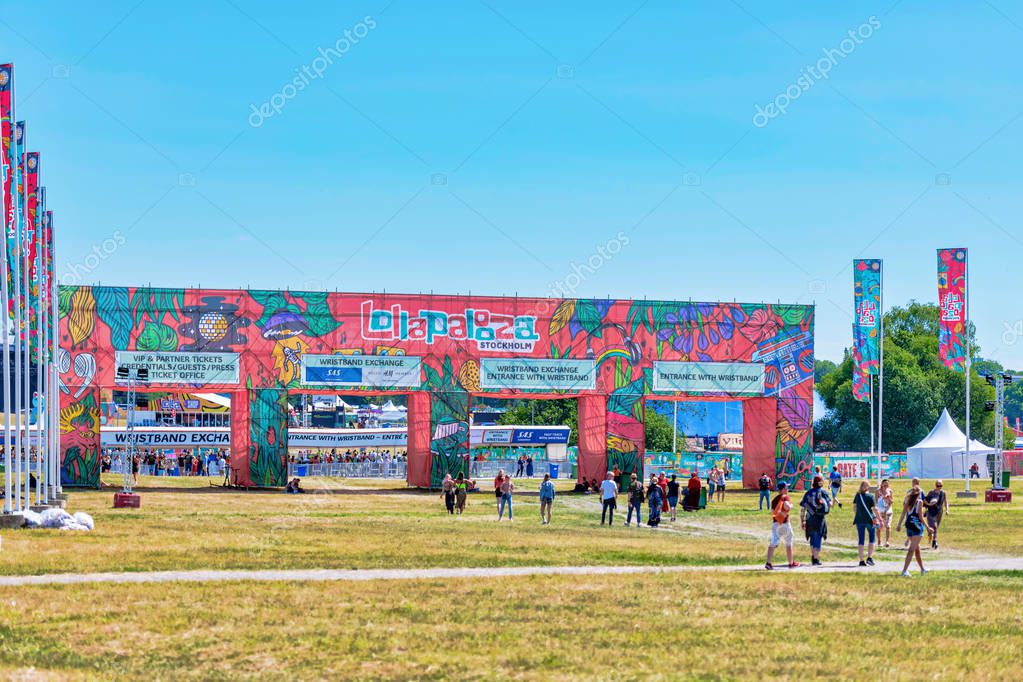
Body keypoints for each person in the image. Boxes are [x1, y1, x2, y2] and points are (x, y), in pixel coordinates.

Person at [896, 484, 929, 577]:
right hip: (917, 528)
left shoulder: (907, 502)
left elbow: (903, 514)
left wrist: (899, 525)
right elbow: (921, 517)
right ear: (919, 494)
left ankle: (922, 569)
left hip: (909, 527)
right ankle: (904, 571)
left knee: (917, 549)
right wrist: (927, 527)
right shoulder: (920, 502)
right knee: (911, 550)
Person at [765, 482, 800, 570]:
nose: (787, 489)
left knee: (773, 542)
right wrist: (791, 505)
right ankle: (791, 563)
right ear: (783, 489)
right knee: (789, 542)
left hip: (776, 523)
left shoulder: (774, 500)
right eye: (786, 488)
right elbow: (787, 506)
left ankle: (768, 563)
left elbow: (773, 511)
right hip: (784, 524)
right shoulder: (785, 497)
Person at [799, 475, 831, 566]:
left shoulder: (808, 493)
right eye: (822, 481)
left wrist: (803, 520)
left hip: (809, 518)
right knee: (818, 538)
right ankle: (815, 559)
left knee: (812, 538)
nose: (823, 482)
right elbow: (830, 504)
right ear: (819, 482)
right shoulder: (823, 492)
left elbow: (803, 508)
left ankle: (814, 557)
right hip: (819, 519)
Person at [852, 480, 877, 567]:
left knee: (861, 540)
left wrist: (859, 515)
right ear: (868, 487)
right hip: (870, 520)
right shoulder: (871, 496)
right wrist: (879, 519)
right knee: (872, 539)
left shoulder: (857, 496)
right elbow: (874, 509)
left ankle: (861, 560)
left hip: (859, 520)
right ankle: (869, 558)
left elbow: (854, 508)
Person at [923, 480, 949, 550]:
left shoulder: (943, 493)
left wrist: (947, 510)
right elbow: (925, 500)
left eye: (940, 486)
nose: (939, 487)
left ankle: (932, 538)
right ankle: (935, 540)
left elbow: (946, 502)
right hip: (930, 511)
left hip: (939, 512)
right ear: (935, 485)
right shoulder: (931, 492)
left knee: (936, 527)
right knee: (933, 526)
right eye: (938, 485)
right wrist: (929, 504)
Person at [876, 479, 895, 547]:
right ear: (882, 484)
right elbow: (875, 503)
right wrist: (879, 513)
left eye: (887, 485)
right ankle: (879, 541)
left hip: (888, 511)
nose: (886, 486)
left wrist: (889, 499)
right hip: (879, 512)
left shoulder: (890, 491)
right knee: (879, 527)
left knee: (888, 526)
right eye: (884, 485)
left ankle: (887, 542)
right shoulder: (877, 491)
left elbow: (891, 502)